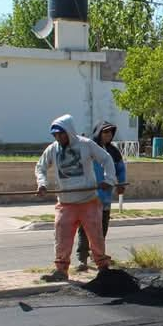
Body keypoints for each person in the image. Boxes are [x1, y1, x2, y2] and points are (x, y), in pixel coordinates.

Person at [34, 114, 116, 282]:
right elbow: (40, 167)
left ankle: (103, 268)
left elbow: (106, 159)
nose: (58, 137)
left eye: (60, 134)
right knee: (61, 237)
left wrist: (109, 180)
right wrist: (42, 183)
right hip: (66, 203)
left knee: (96, 237)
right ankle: (61, 271)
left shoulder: (86, 145)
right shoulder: (53, 149)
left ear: (69, 132)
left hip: (89, 201)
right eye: (55, 135)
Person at [75, 121, 127, 272]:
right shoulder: (89, 148)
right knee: (85, 229)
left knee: (102, 229)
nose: (108, 135)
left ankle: (97, 255)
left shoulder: (113, 151)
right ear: (98, 133)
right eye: (105, 132)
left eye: (111, 132)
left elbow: (120, 169)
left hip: (105, 198)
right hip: (89, 197)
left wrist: (121, 183)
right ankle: (81, 259)